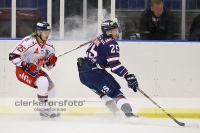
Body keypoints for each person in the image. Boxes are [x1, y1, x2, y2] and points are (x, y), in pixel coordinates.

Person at [77, 20, 139, 122]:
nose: (116, 33)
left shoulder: (98, 39)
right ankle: (130, 115)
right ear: (107, 32)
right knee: (116, 93)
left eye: (116, 30)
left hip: (83, 75)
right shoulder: (111, 43)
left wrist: (104, 63)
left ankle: (116, 114)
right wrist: (127, 75)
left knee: (103, 93)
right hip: (95, 73)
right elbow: (114, 65)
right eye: (114, 31)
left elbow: (100, 58)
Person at [9, 21, 59, 119]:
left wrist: (51, 62)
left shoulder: (49, 46)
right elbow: (12, 56)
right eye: (45, 32)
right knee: (43, 82)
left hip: (37, 70)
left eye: (48, 32)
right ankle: (43, 110)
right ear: (38, 32)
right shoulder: (28, 41)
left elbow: (47, 67)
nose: (47, 34)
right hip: (22, 70)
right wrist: (26, 64)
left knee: (52, 90)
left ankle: (46, 108)